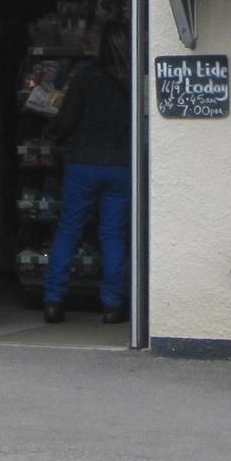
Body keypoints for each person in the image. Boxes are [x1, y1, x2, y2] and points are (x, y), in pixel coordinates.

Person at [42, 20, 132, 324]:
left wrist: (53, 131)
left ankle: (54, 302)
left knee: (69, 230)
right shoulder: (133, 81)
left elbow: (65, 123)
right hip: (121, 165)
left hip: (82, 164)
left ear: (102, 45)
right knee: (113, 234)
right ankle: (112, 305)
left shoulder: (85, 78)